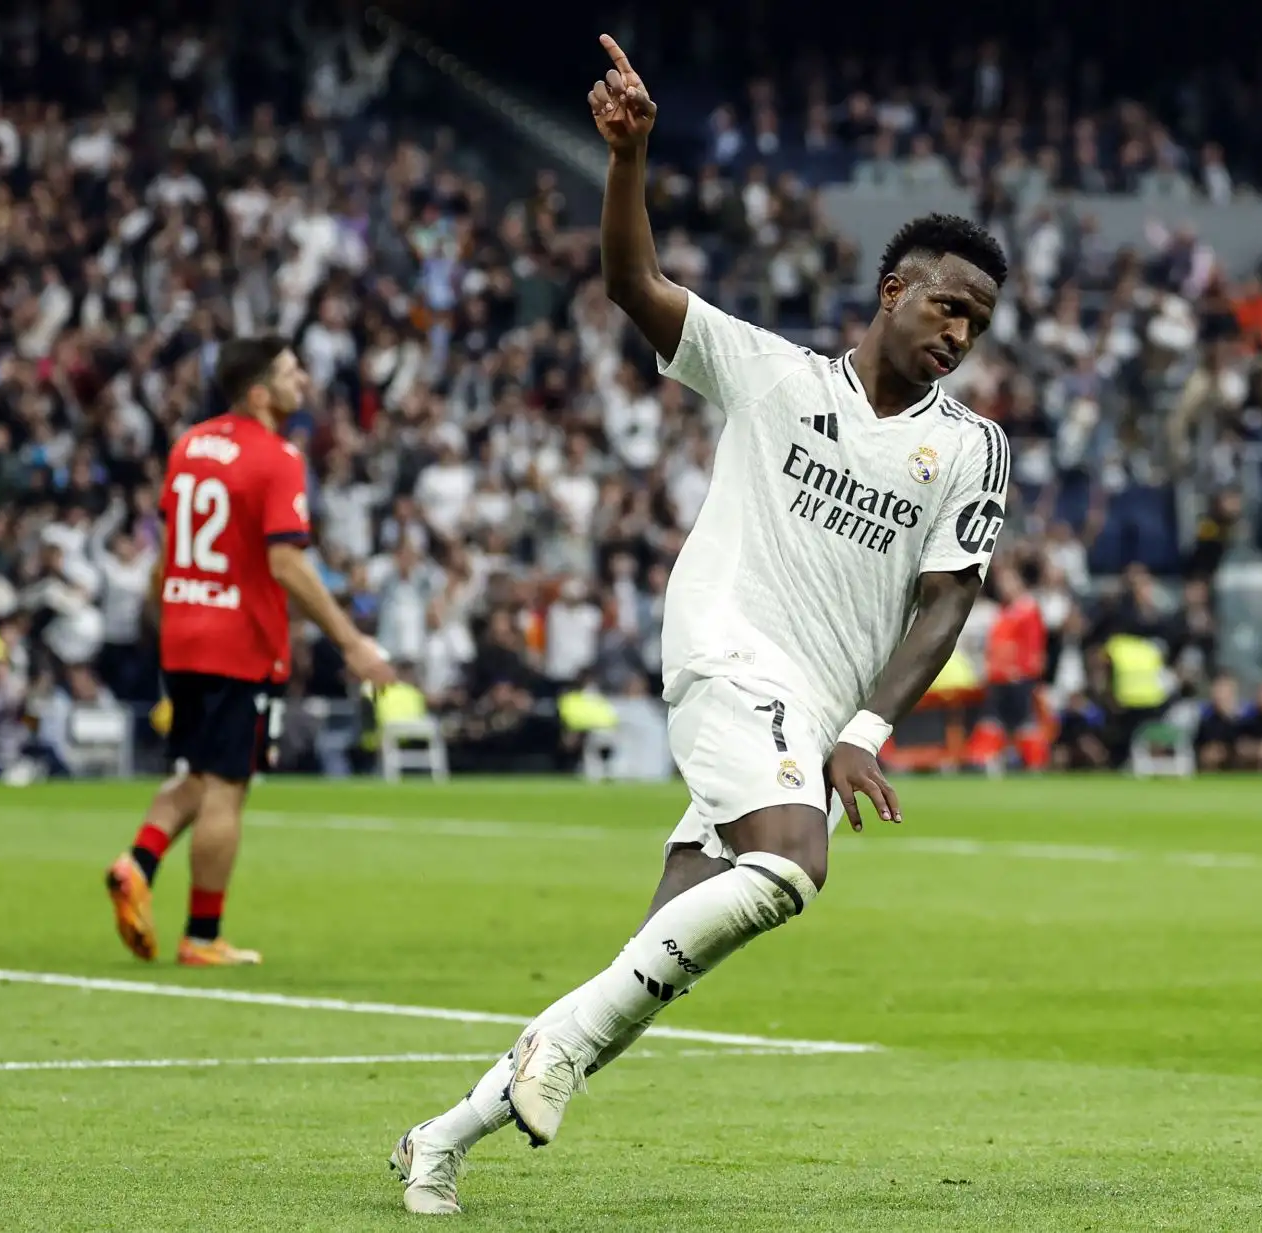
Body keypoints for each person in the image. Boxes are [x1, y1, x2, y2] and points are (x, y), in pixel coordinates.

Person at [390, 36, 1010, 1217]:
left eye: (978, 321)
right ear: (893, 292)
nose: (959, 333)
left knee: (652, 964)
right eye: (946, 304)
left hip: (812, 712)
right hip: (729, 658)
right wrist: (628, 162)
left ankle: (445, 1136)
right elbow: (634, 286)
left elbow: (950, 597)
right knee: (792, 861)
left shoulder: (969, 448)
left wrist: (867, 724)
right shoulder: (772, 376)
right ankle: (552, 1061)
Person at [103, 337, 393, 967]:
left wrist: (170, 617)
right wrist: (352, 642)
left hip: (182, 631)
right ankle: (202, 935)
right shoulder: (277, 456)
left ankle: (138, 862)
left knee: (197, 772)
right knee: (226, 790)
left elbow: (165, 552)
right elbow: (286, 561)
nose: (305, 380)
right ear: (259, 392)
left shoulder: (188, 446)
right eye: (292, 372)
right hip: (239, 642)